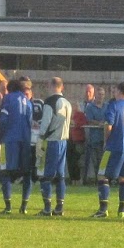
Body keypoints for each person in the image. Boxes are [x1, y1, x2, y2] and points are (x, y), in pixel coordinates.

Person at [93, 81, 124, 219]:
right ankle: (122, 211)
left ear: (120, 91)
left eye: (114, 90)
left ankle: (103, 210)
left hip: (114, 145)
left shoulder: (113, 105)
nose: (113, 93)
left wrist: (106, 141)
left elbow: (108, 126)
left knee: (102, 175)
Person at [0, 76, 36, 214]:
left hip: (10, 140)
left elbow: (4, 120)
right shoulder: (29, 102)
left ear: (9, 89)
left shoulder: (8, 98)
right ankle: (24, 207)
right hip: (25, 141)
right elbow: (30, 121)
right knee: (26, 173)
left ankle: (8, 207)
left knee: (5, 172)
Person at [37, 76, 73, 216]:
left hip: (52, 141)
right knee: (60, 175)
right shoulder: (67, 103)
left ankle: (47, 208)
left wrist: (40, 138)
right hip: (64, 141)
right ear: (61, 87)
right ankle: (59, 207)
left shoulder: (50, 102)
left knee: (47, 176)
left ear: (50, 85)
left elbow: (46, 122)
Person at [82, 84, 106, 183]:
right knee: (95, 161)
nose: (101, 96)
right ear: (95, 95)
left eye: (103, 94)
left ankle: (103, 179)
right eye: (99, 94)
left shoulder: (107, 106)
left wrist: (105, 123)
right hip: (94, 138)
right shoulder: (90, 107)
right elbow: (89, 120)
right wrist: (99, 123)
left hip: (105, 138)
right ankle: (96, 180)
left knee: (103, 160)